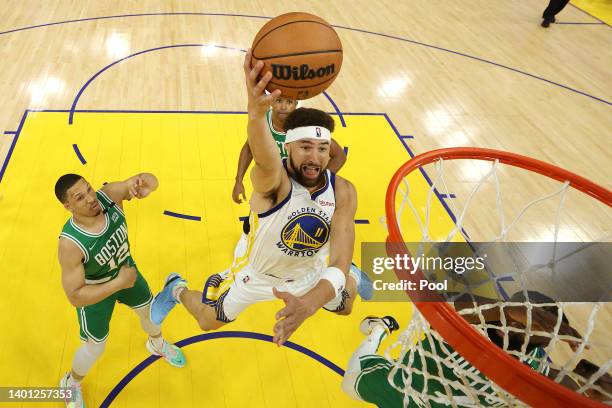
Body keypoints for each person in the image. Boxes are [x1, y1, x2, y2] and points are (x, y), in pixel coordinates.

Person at [150, 50, 362, 346]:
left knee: (346, 305)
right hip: (258, 274)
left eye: (322, 149)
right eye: (305, 147)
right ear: (287, 147)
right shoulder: (274, 182)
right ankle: (175, 289)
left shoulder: (343, 191)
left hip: (308, 271)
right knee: (206, 322)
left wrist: (309, 303)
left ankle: (353, 276)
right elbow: (261, 155)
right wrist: (255, 112)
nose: (315, 158)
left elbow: (338, 260)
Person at [342, 292, 612, 407]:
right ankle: (379, 329)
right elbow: (443, 304)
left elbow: (557, 384)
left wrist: (588, 387)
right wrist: (504, 310)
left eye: (533, 330)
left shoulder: (536, 363)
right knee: (350, 383)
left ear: (545, 339)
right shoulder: (465, 325)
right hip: (406, 393)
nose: (513, 328)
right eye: (516, 319)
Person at [55, 173, 185, 408]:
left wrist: (146, 185)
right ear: (68, 206)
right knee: (95, 347)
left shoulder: (109, 196)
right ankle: (71, 383)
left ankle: (156, 345)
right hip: (96, 291)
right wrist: (117, 283)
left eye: (89, 189)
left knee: (152, 313)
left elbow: (149, 179)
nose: (90, 198)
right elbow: (75, 296)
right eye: (80, 197)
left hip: (125, 272)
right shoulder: (70, 244)